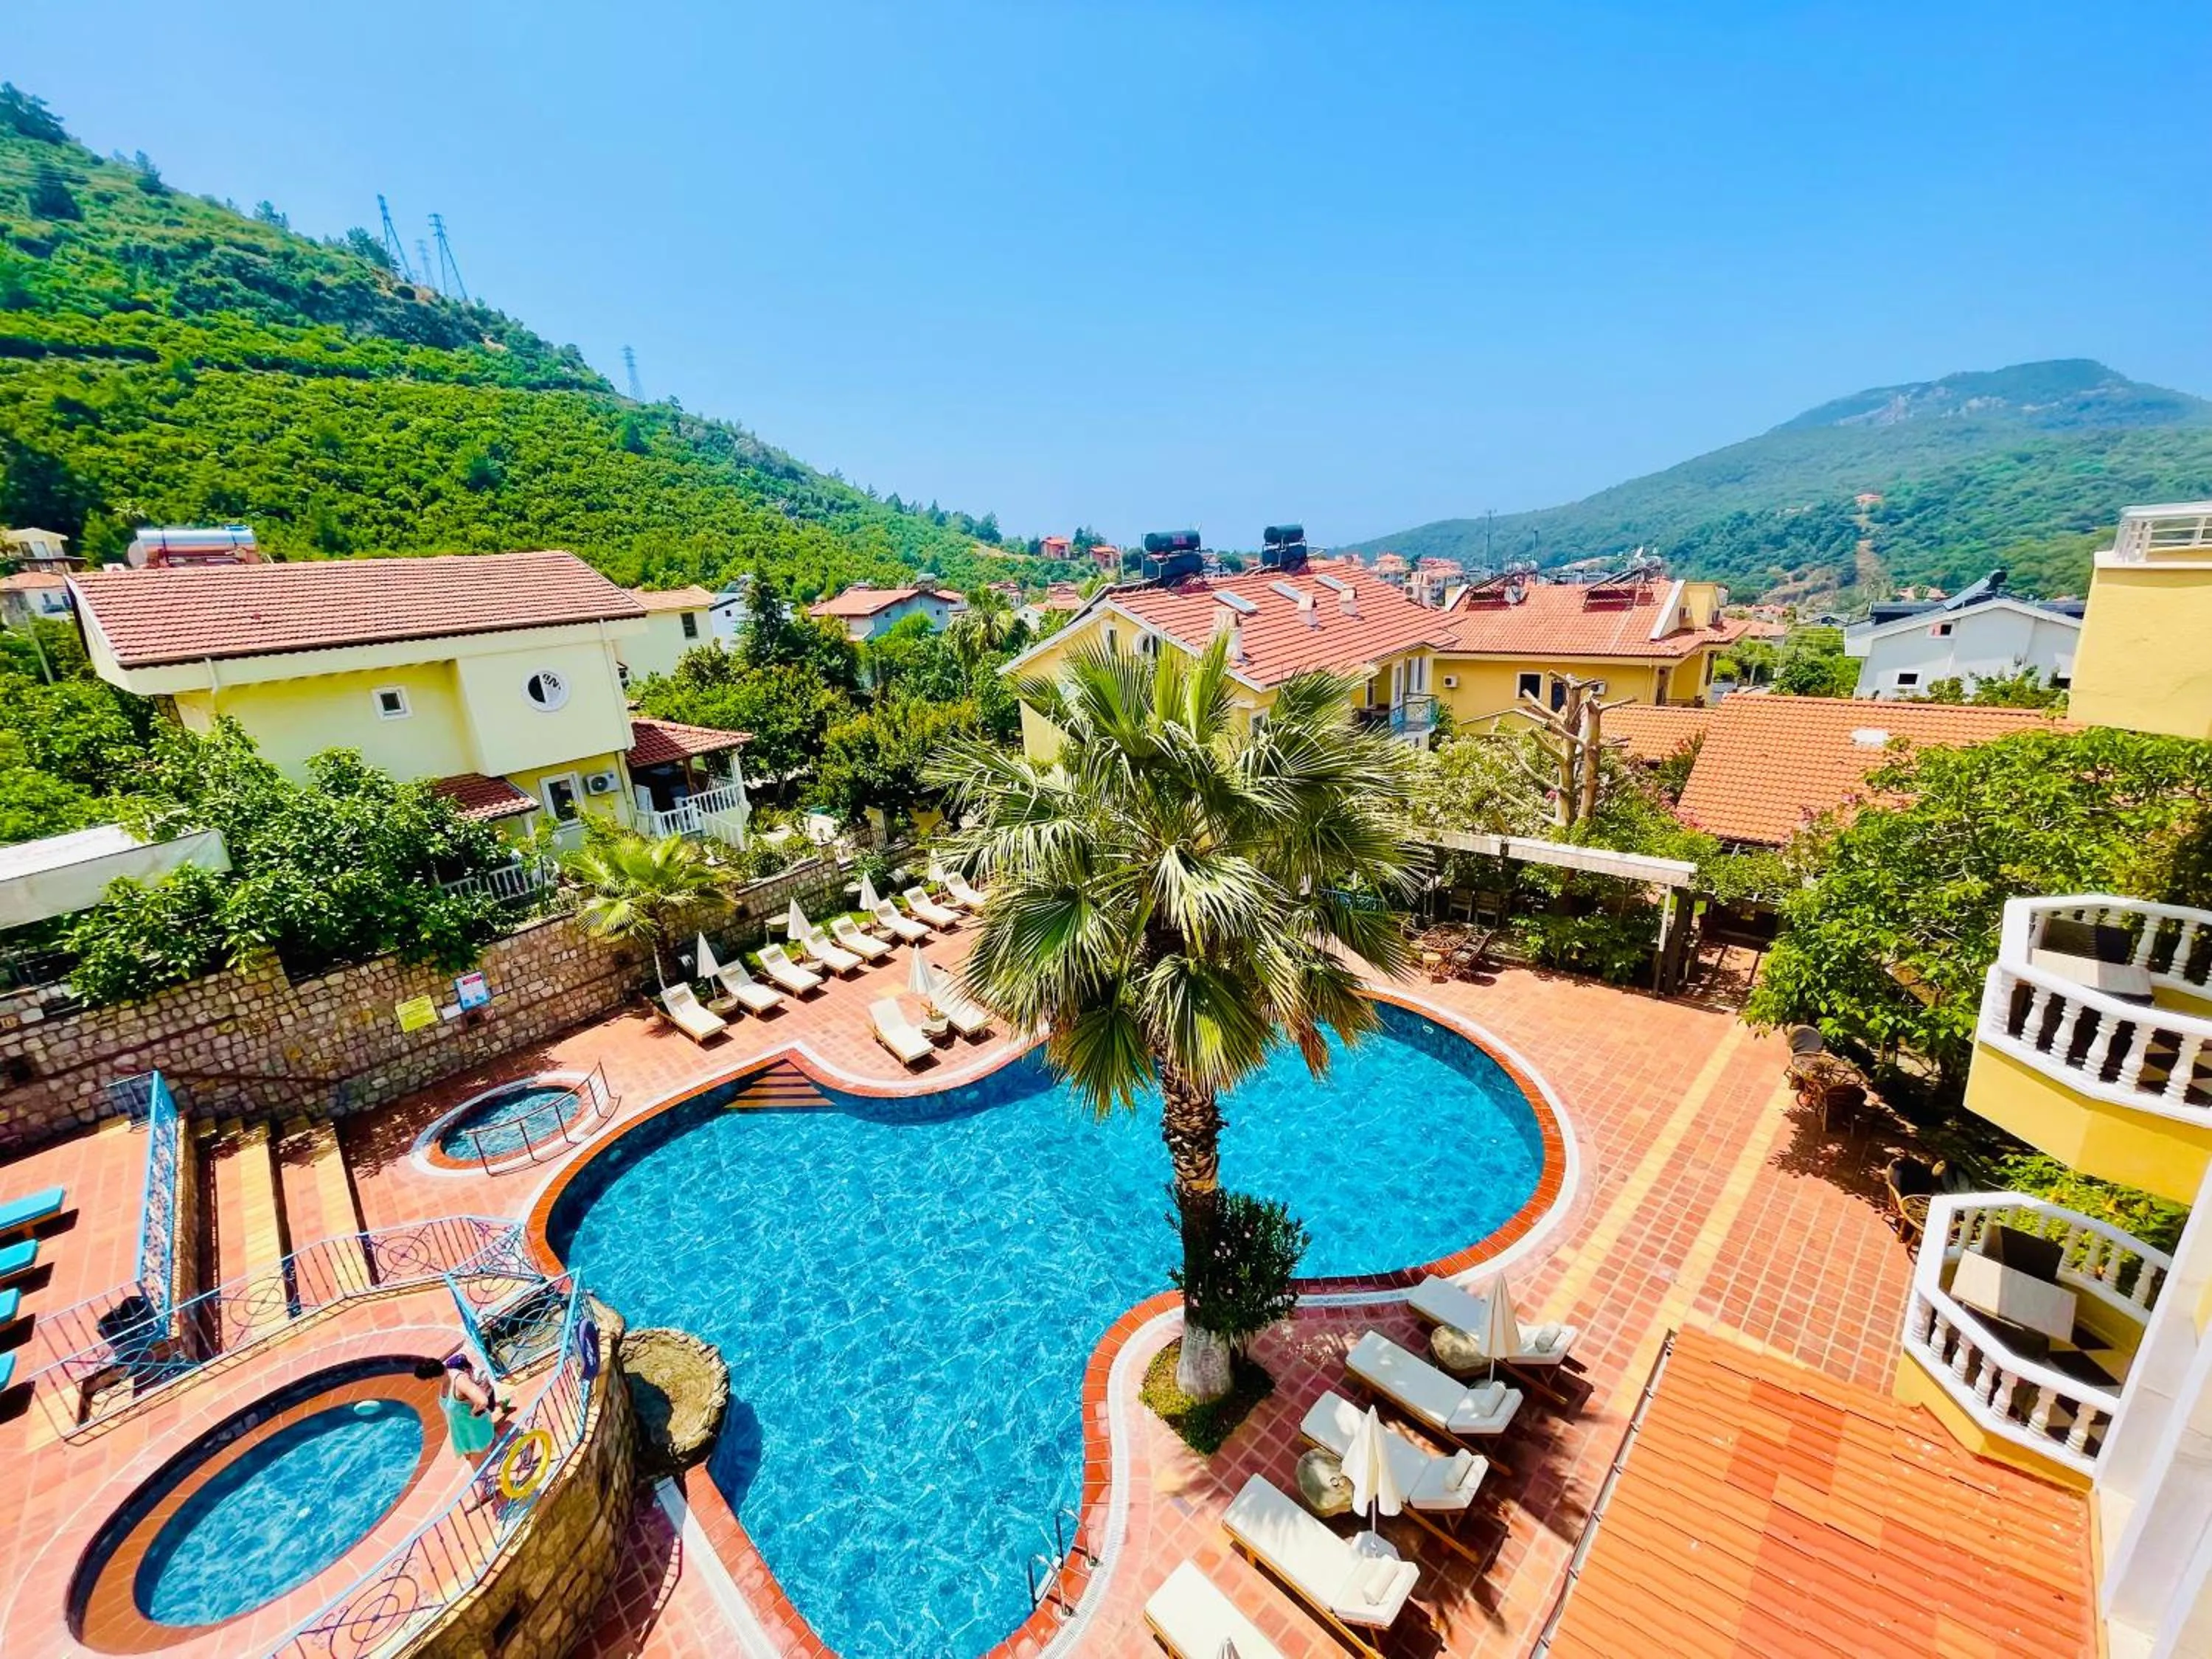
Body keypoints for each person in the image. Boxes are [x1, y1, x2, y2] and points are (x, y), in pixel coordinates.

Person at [437, 1353, 507, 1459]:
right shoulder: (464, 1376)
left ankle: (497, 1445)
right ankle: (501, 1405)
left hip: (486, 1397)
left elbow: (483, 1399)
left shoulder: (477, 1375)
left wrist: (474, 1411)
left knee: (488, 1420)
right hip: (478, 1402)